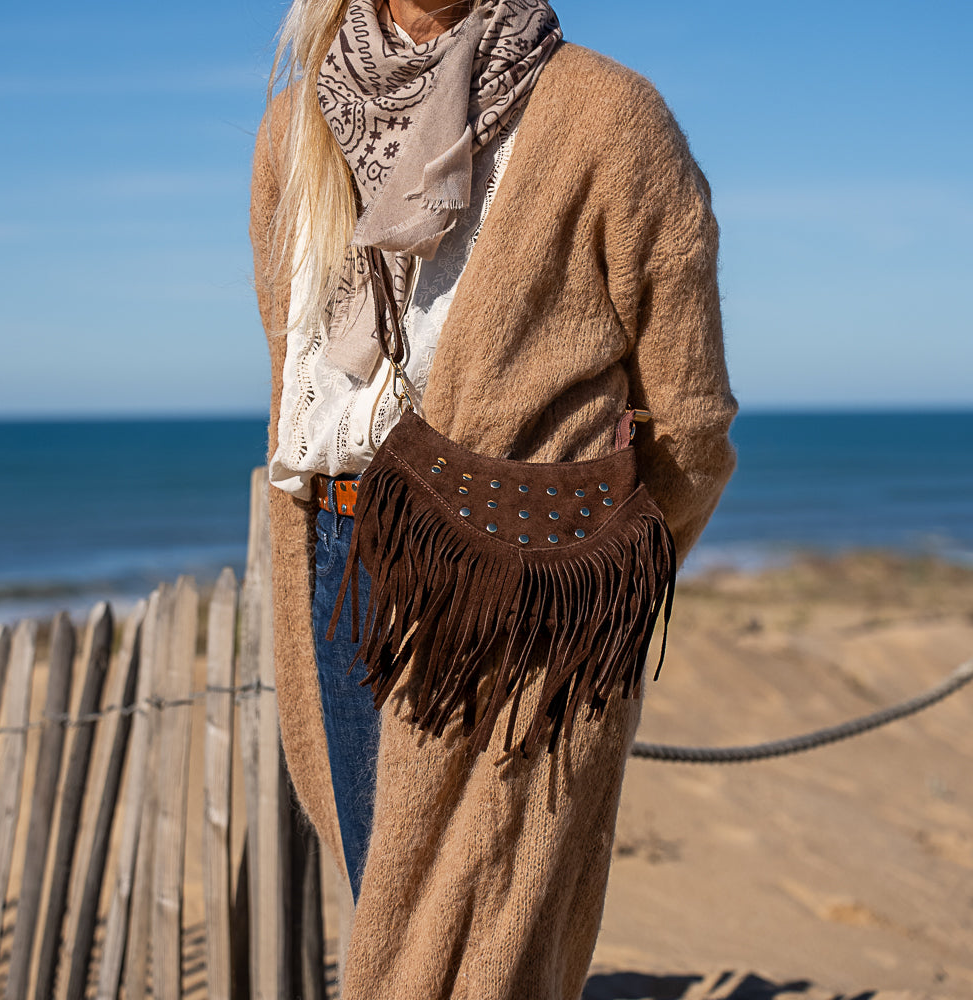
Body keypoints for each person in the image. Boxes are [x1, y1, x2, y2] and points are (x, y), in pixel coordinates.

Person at [249, 0, 737, 997]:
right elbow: (292, 359)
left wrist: (586, 589)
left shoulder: (608, 116)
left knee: (485, 943)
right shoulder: (295, 125)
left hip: (520, 581)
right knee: (383, 910)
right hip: (337, 558)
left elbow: (689, 427)